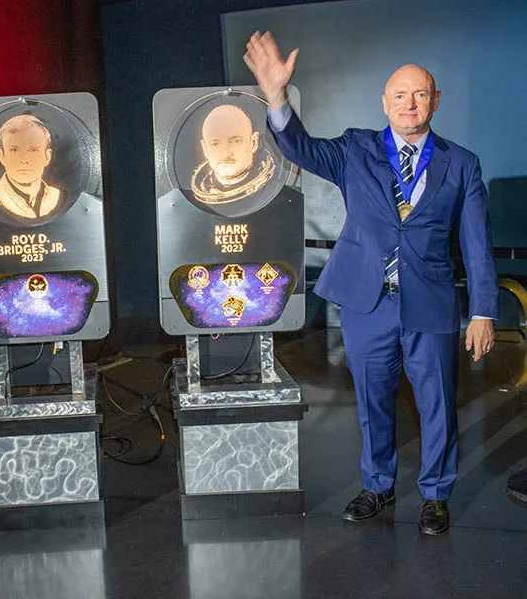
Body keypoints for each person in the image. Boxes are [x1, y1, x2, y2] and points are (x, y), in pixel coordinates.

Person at [244, 31, 497, 535]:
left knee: (439, 406)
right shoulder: (356, 148)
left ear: (435, 101)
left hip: (432, 303)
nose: (409, 103)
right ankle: (377, 486)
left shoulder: (461, 163)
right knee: (372, 402)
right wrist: (275, 97)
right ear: (385, 102)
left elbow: (475, 243)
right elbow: (300, 148)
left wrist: (485, 311)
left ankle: (436, 495)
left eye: (420, 94)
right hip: (367, 301)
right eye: (399, 95)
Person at [191, 104, 275, 204]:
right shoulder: (188, 206)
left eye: (235, 141)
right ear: (205, 149)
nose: (225, 153)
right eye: (215, 144)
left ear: (253, 142)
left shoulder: (281, 196)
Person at [0, 114, 63, 219]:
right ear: (1, 156)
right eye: (14, 150)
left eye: (33, 150)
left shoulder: (60, 198)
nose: (24, 160)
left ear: (47, 156)